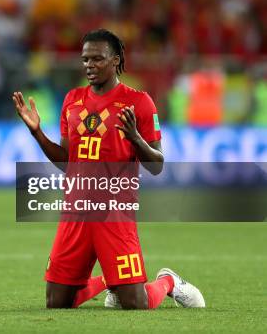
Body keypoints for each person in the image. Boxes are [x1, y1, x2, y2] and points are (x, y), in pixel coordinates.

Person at [12, 29, 205, 309]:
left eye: (97, 59)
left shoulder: (138, 102)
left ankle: (169, 282)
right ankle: (109, 281)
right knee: (57, 303)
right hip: (76, 210)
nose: (90, 65)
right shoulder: (72, 100)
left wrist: (136, 138)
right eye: (85, 59)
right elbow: (67, 161)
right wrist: (37, 133)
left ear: (115, 60)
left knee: (135, 304)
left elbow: (157, 165)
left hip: (115, 212)